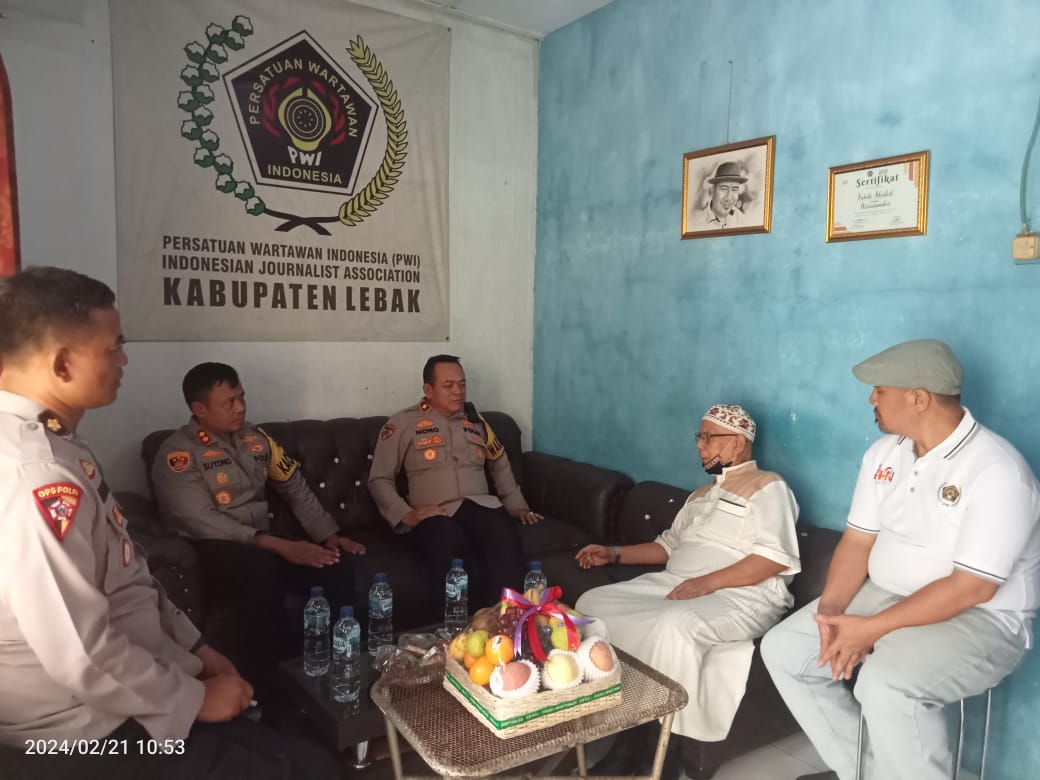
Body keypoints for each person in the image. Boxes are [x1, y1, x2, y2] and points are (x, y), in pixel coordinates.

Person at [0, 266, 336, 778]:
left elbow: (126, 576)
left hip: (132, 687)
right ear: (62, 363)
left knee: (295, 749)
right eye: (114, 346)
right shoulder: (35, 473)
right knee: (309, 768)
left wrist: (196, 647)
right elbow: (78, 652)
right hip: (84, 730)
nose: (124, 359)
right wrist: (193, 699)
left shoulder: (59, 446)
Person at [761, 339, 1040, 780]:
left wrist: (871, 629)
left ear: (918, 398)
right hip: (886, 594)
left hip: (984, 618)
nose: (871, 399)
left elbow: (973, 587)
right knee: (784, 650)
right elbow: (857, 541)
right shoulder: (885, 454)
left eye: (880, 390)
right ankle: (866, 773)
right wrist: (832, 611)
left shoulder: (998, 470)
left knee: (886, 685)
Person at [575, 404, 800, 778]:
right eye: (700, 437)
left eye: (709, 437)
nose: (700, 445)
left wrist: (707, 583)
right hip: (678, 583)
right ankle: (626, 732)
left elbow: (774, 558)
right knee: (591, 605)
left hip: (742, 594)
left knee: (674, 626)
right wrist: (613, 553)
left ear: (738, 444)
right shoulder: (699, 495)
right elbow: (666, 546)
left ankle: (658, 750)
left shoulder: (768, 486)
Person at [152, 362, 364, 708]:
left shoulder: (257, 439)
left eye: (241, 397)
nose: (240, 408)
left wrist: (328, 535)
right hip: (211, 551)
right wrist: (276, 545)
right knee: (260, 571)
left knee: (335, 566)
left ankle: (338, 669)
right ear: (199, 409)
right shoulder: (178, 454)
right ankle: (270, 693)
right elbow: (200, 521)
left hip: (263, 545)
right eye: (229, 402)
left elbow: (295, 488)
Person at [368, 354, 542, 607]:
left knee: (502, 535)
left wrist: (517, 506)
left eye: (462, 384)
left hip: (481, 507)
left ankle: (504, 617)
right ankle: (457, 621)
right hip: (435, 514)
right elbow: (379, 479)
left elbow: (499, 462)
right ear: (428, 390)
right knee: (447, 538)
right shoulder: (402, 423)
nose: (458, 391)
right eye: (448, 385)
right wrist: (406, 515)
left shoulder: (476, 422)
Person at [689, 161, 750, 230]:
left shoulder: (742, 221)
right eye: (724, 189)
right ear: (713, 190)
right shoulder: (695, 220)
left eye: (734, 189)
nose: (728, 198)